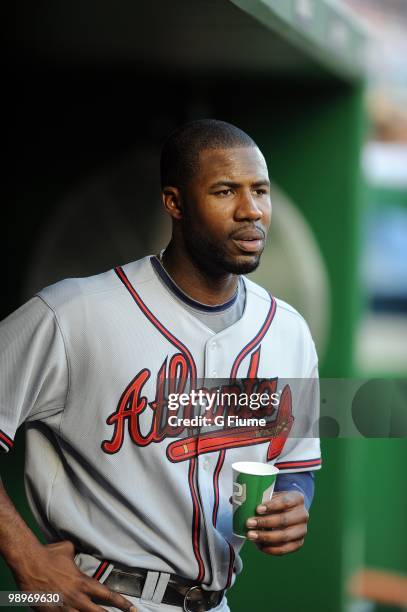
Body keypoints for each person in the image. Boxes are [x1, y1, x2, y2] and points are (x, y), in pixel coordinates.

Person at [0, 119, 321, 612]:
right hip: (104, 596)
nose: (251, 210)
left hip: (215, 602)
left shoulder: (289, 330)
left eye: (260, 190)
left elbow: (296, 466)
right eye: (224, 191)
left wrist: (295, 503)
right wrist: (27, 563)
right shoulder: (73, 313)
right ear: (174, 202)